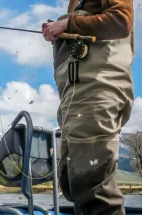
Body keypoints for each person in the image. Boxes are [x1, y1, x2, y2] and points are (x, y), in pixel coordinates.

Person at [41, 0, 134, 214]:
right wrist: (57, 33)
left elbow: (121, 20)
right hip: (75, 97)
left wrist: (68, 24)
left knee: (92, 184)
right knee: (75, 181)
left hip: (97, 90)